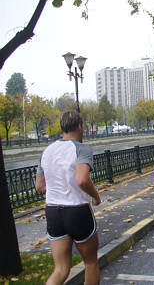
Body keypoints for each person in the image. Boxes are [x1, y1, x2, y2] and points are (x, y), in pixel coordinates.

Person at [35, 110, 101, 285]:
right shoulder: (82, 149)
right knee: (91, 262)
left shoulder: (47, 151)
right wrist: (95, 196)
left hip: (53, 212)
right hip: (77, 210)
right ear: (80, 127)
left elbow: (39, 186)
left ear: (62, 128)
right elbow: (81, 179)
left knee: (61, 269)